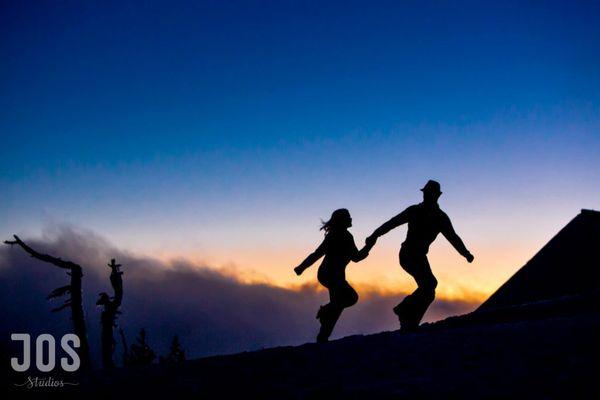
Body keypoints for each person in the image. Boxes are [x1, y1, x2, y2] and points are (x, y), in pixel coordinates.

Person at [366, 180, 474, 332]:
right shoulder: (415, 211)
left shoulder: (440, 217)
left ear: (437, 195)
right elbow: (391, 223)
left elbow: (452, 237)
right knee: (429, 285)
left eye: (429, 193)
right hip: (408, 254)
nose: (426, 196)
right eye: (425, 193)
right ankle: (406, 313)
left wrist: (465, 253)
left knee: (429, 288)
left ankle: (409, 319)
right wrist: (374, 235)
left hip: (419, 256)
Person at [294, 209, 374, 343]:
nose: (351, 219)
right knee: (350, 298)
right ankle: (325, 313)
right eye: (348, 217)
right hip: (329, 275)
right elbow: (318, 254)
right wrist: (302, 267)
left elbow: (355, 257)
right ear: (342, 220)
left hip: (335, 276)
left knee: (338, 306)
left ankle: (323, 336)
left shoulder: (346, 236)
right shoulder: (335, 236)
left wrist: (368, 247)